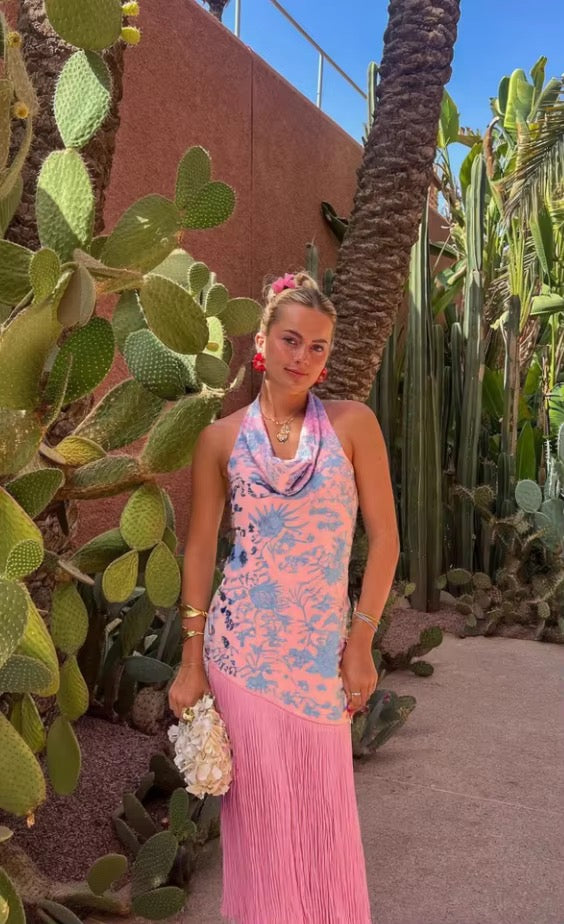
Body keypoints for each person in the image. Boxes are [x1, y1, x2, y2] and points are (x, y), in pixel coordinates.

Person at [169, 271, 400, 924]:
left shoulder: (354, 427)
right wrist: (191, 662)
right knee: (262, 827)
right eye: (291, 340)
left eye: (318, 347)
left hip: (321, 659)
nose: (303, 357)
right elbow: (200, 551)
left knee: (326, 820)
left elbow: (386, 541)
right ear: (263, 341)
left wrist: (361, 642)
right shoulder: (219, 439)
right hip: (241, 658)